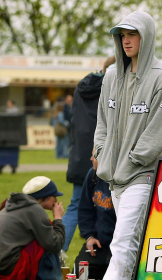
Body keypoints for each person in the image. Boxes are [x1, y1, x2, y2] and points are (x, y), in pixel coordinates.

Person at [87, 11, 162, 280]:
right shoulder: (111, 77)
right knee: (132, 241)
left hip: (142, 174)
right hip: (113, 177)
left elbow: (157, 133)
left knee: (123, 239)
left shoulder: (161, 79)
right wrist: (102, 151)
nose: (126, 40)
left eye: (133, 34)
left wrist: (131, 159)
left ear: (146, 37)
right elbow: (102, 122)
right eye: (122, 34)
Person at [0, 176, 66, 280]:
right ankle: (48, 279)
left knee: (43, 235)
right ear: (44, 197)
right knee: (44, 241)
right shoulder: (34, 209)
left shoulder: (12, 205)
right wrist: (57, 219)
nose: (56, 200)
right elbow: (55, 244)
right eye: (54, 196)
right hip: (8, 267)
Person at [62, 55, 116, 252]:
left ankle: (59, 251)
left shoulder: (82, 86)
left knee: (76, 204)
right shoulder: (112, 88)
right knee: (113, 203)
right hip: (101, 154)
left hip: (79, 154)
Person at [73, 151, 116, 280]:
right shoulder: (93, 174)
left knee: (117, 277)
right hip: (100, 243)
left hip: (122, 245)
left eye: (95, 156)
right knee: (79, 274)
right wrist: (89, 236)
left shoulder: (124, 179)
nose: (91, 158)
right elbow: (85, 209)